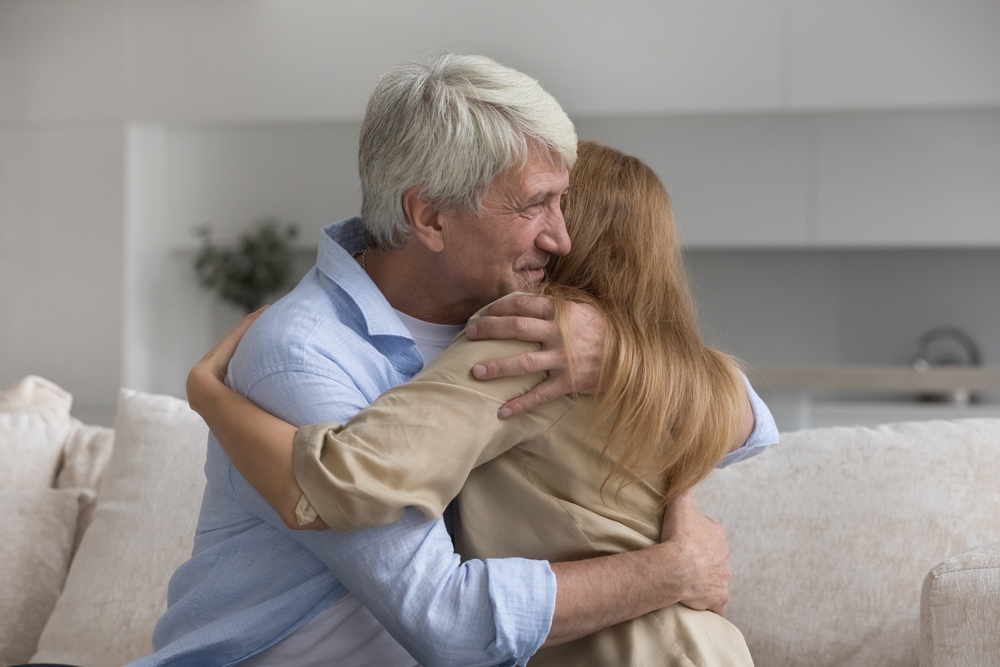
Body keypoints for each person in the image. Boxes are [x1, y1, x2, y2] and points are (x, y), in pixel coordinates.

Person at [139, 54, 776, 667]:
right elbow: (446, 624)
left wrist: (621, 359)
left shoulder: (535, 326)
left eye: (563, 200)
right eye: (534, 205)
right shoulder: (303, 353)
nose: (562, 238)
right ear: (431, 217)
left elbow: (754, 427)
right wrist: (673, 571)